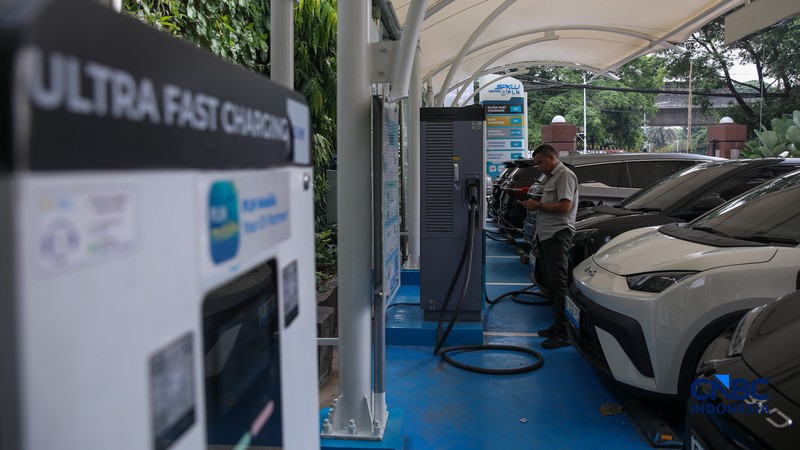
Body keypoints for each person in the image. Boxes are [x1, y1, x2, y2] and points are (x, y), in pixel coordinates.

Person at [521, 144, 578, 349]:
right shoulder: (552, 177)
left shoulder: (564, 175)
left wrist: (539, 206)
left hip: (557, 233)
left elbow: (565, 207)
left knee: (558, 282)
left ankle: (564, 331)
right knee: (550, 282)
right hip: (545, 234)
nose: (538, 167)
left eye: (540, 162)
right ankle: (557, 325)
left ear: (552, 158)